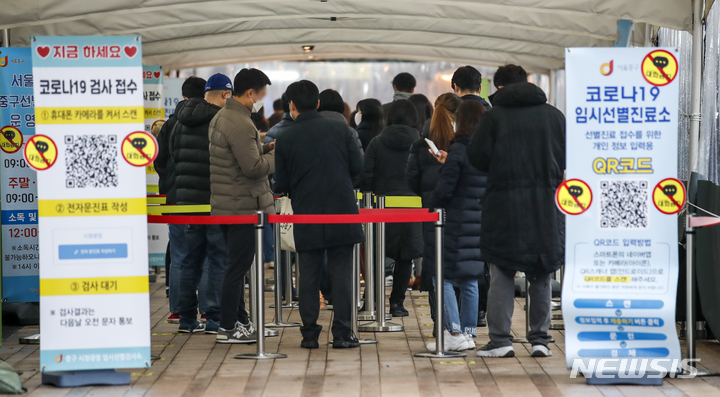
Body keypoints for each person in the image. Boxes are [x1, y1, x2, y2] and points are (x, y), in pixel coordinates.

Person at [467, 64, 565, 358]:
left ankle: (500, 341)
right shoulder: (554, 116)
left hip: (504, 206)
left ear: (498, 87)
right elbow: (567, 154)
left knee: (502, 272)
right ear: (527, 82)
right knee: (541, 273)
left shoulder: (494, 117)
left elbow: (477, 157)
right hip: (545, 205)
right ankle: (539, 340)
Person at [274, 80, 364, 349]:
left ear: (291, 105)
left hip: (306, 212)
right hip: (342, 210)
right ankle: (342, 333)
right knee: (343, 274)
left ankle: (310, 335)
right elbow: (358, 167)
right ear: (317, 103)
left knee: (309, 275)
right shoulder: (342, 129)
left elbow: (281, 184)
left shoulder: (286, 137)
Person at [209, 68, 274, 344]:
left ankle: (240, 321)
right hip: (243, 207)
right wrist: (277, 158)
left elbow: (238, 157)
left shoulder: (224, 116)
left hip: (227, 204)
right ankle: (227, 327)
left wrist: (265, 148)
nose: (261, 101)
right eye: (261, 96)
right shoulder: (241, 122)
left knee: (234, 267)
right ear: (250, 93)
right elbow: (252, 168)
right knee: (236, 269)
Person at [170, 73, 232, 334]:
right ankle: (214, 317)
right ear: (225, 94)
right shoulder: (219, 119)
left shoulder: (179, 120)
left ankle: (186, 319)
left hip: (187, 202)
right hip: (213, 199)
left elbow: (172, 156)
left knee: (189, 260)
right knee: (217, 258)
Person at [425, 100, 487, 351]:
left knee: (442, 275)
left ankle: (453, 331)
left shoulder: (460, 150)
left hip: (454, 222)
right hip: (478, 221)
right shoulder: (485, 151)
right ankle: (468, 333)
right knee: (470, 278)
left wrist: (432, 202)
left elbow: (445, 190)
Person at [361, 99, 423, 317]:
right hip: (413, 208)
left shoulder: (376, 143)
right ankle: (397, 303)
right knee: (405, 258)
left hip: (381, 208)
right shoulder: (423, 143)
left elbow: (366, 176)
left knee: (377, 255)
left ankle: (372, 301)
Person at [406, 93, 461, 324]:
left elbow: (412, 180)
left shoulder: (421, 143)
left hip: (430, 211)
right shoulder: (462, 142)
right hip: (460, 211)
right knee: (461, 268)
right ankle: (463, 324)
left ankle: (440, 325)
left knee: (435, 265)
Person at [154, 76, 205, 324]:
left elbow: (159, 162)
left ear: (183, 97)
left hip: (175, 199)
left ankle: (177, 309)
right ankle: (207, 309)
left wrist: (170, 181)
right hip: (204, 198)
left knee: (179, 254)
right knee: (205, 254)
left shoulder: (169, 124)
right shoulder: (211, 120)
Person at [318, 89, 363, 153]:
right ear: (341, 108)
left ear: (317, 105)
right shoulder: (350, 133)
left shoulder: (308, 130)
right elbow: (359, 160)